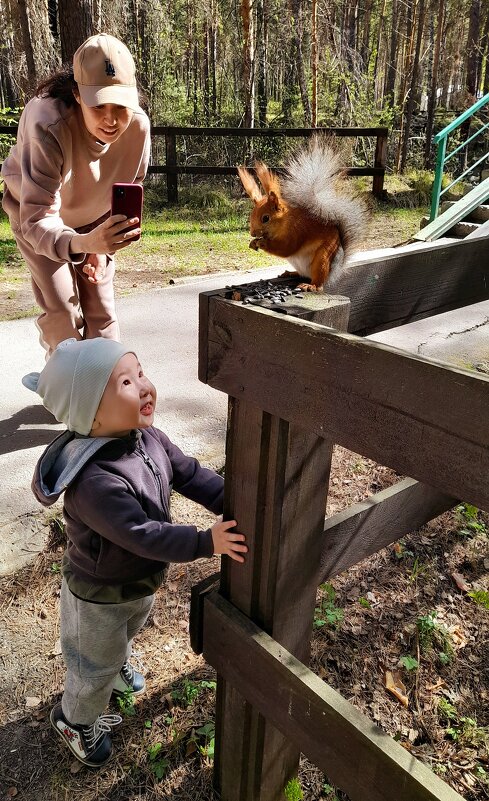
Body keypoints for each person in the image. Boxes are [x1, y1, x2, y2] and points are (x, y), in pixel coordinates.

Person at [23, 337, 247, 767]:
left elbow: (190, 474)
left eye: (140, 372)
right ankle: (75, 719)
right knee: (93, 666)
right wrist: (204, 541)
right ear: (92, 414)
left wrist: (229, 501)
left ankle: (116, 661)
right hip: (99, 595)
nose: (144, 386)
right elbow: (142, 534)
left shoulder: (148, 438)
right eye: (126, 381)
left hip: (136, 582)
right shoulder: (94, 482)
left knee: (129, 627)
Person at [1, 33, 151, 356]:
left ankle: (107, 395)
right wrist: (84, 243)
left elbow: (130, 185)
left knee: (102, 314)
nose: (111, 119)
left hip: (92, 220)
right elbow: (38, 217)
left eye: (121, 106)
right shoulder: (47, 125)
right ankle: (69, 397)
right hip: (37, 216)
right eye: (99, 105)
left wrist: (102, 247)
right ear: (78, 95)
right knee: (63, 312)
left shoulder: (138, 128)